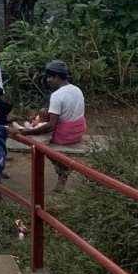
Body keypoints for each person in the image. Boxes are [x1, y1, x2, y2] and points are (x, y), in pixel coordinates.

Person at [11, 60, 86, 191]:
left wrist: (28, 132)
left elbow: (51, 126)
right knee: (41, 120)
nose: (48, 80)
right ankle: (62, 168)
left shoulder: (57, 95)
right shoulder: (76, 89)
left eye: (49, 77)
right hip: (78, 131)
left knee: (39, 142)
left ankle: (61, 168)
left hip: (64, 136)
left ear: (56, 76)